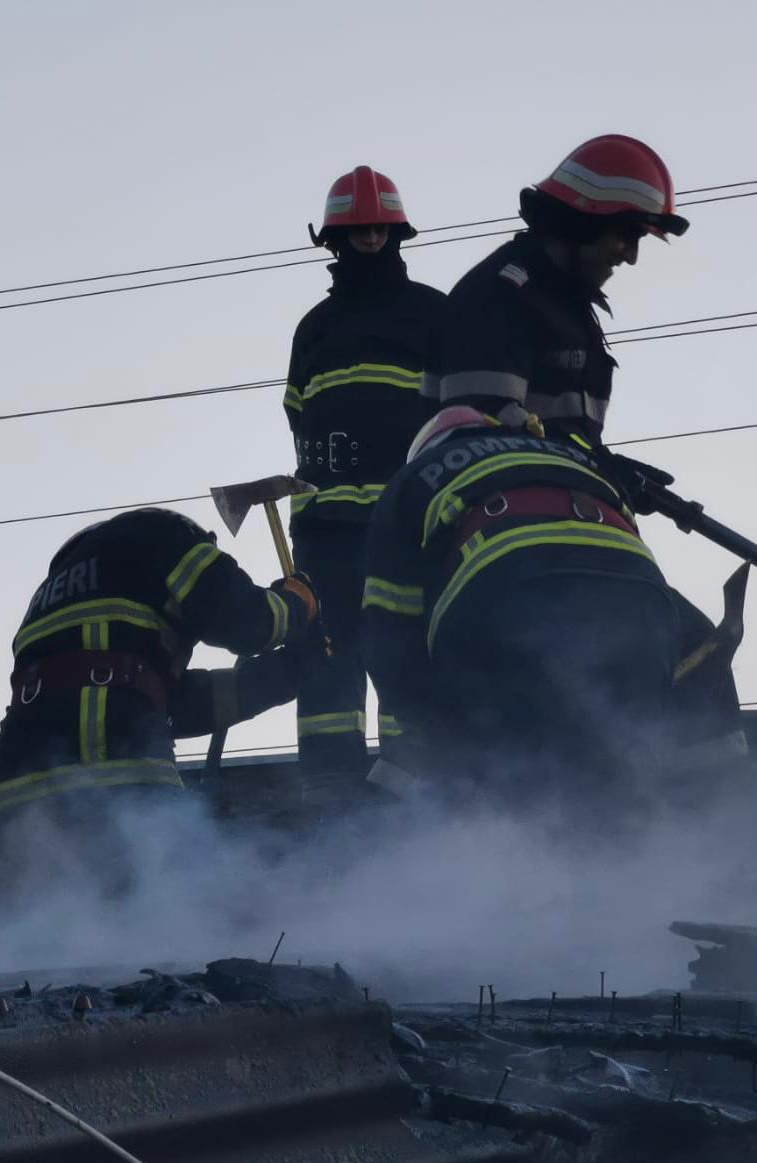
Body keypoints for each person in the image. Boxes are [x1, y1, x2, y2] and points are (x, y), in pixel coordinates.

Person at [422, 133, 746, 782]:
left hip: (573, 527)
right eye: (624, 235)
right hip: (505, 545)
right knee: (670, 645)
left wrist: (607, 468)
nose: (631, 254)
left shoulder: (567, 308)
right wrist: (589, 465)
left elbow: (557, 433)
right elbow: (479, 436)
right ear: (580, 221)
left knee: (696, 653)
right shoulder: (499, 295)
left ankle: (715, 823)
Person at [362, 405, 684, 818]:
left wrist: (426, 735)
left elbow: (389, 628)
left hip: (507, 597)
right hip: (642, 603)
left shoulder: (415, 477)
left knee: (501, 775)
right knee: (621, 760)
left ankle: (507, 849)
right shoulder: (576, 457)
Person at [282, 165, 445, 807]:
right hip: (327, 525)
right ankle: (330, 787)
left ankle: (413, 785)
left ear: (397, 233)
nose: (371, 239)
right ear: (335, 239)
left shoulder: (433, 312)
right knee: (326, 650)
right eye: (359, 231)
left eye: (380, 229)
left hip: (408, 518)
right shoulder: (314, 327)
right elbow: (299, 413)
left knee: (406, 645)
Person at [0, 507, 319, 817]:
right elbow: (248, 622)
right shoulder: (172, 535)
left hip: (18, 790)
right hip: (112, 766)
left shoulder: (56, 597)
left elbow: (170, 706)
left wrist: (288, 672)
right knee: (158, 862)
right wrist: (298, 602)